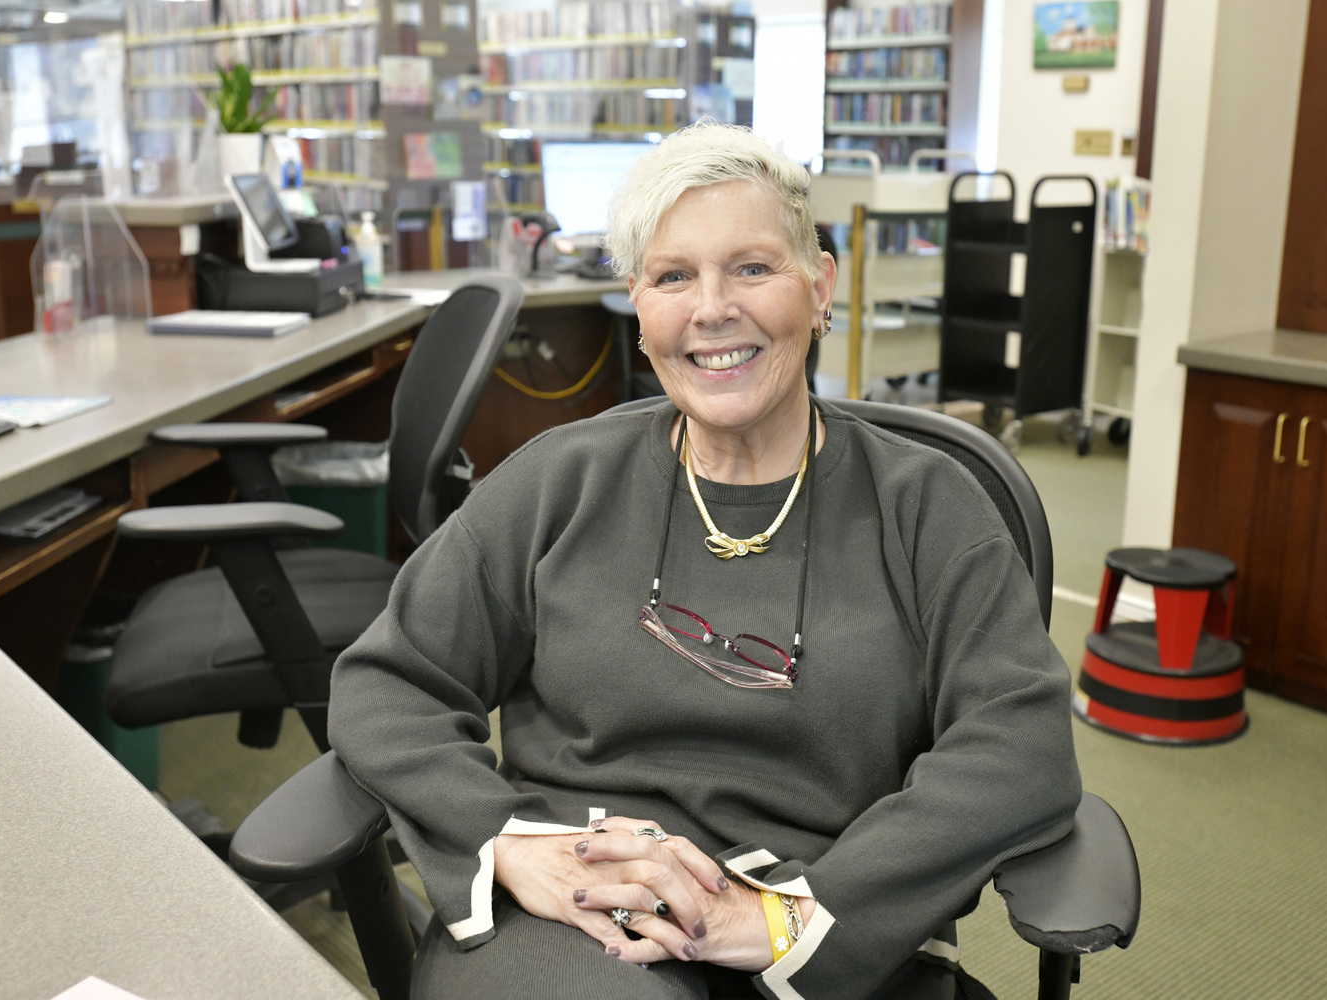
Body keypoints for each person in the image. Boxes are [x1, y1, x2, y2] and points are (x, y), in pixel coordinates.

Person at [329, 122, 1081, 1000]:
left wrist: (790, 916)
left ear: (820, 286)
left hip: (824, 921)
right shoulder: (558, 482)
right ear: (639, 308)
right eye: (673, 275)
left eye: (753, 268)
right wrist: (510, 840)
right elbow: (392, 679)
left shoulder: (930, 506)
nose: (712, 308)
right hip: (583, 913)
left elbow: (1019, 743)